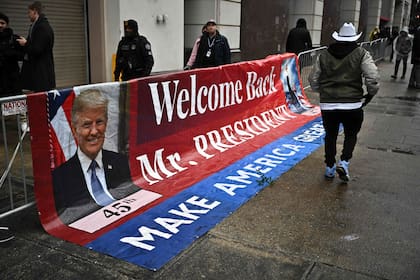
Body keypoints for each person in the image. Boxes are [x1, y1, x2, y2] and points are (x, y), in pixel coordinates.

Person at [52, 89, 140, 224]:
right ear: (75, 130)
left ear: (106, 124)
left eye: (99, 122)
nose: (94, 131)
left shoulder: (121, 162)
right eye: (87, 124)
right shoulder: (59, 178)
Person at [309, 22, 379, 182]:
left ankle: (329, 167)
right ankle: (344, 162)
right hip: (352, 104)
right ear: (354, 38)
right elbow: (373, 77)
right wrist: (370, 94)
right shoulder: (361, 53)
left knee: (330, 136)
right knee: (351, 135)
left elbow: (313, 78)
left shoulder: (324, 55)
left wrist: (322, 91)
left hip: (329, 105)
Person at [17, 1, 55, 92]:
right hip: (38, 72)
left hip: (41, 73)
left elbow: (37, 49)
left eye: (29, 12)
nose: (28, 15)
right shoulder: (36, 26)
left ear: (35, 11)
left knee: (41, 98)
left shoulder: (41, 27)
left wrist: (25, 44)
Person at [0, 12, 23, 98]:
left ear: (7, 24)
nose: (0, 25)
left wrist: (12, 54)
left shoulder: (14, 38)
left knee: (15, 105)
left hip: (12, 80)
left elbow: (23, 55)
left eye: (2, 23)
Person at [408, 20, 420, 89]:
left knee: (415, 68)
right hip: (418, 55)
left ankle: (411, 82)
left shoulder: (417, 31)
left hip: (416, 54)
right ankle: (418, 83)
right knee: (417, 68)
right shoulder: (418, 33)